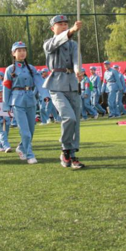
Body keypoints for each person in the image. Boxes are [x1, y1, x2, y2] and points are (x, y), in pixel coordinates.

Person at [43, 15, 85, 169]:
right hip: (56, 85)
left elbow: (76, 59)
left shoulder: (73, 44)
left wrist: (78, 70)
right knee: (69, 117)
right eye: (59, 24)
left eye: (66, 24)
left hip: (73, 84)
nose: (63, 26)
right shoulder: (49, 43)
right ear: (52, 28)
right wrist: (72, 30)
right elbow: (55, 43)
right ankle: (65, 149)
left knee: (76, 122)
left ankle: (72, 155)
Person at [3, 41, 44, 165]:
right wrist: (6, 105)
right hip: (17, 101)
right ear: (13, 53)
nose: (22, 53)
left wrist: (45, 95)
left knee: (31, 131)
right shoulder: (10, 69)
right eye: (19, 51)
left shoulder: (31, 68)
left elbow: (39, 82)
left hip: (30, 99)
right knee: (25, 131)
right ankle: (30, 155)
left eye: (24, 50)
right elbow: (6, 88)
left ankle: (21, 147)